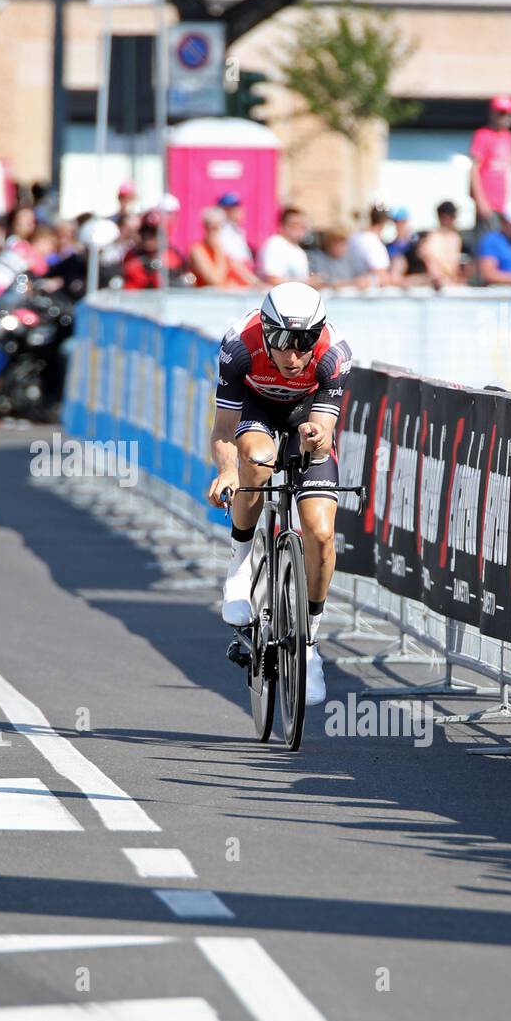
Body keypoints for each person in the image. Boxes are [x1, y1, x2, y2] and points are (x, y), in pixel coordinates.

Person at [207, 283, 351, 706]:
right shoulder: (239, 346)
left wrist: (315, 438)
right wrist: (228, 473)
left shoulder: (333, 355)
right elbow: (222, 430)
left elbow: (323, 439)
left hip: (307, 415)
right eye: (283, 344)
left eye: (303, 344)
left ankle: (309, 642)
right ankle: (240, 564)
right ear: (266, 332)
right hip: (256, 411)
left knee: (321, 533)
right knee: (260, 457)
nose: (292, 356)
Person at [470, 94, 511, 231]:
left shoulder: (507, 136)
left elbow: (505, 162)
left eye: (510, 114)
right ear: (492, 114)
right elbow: (474, 170)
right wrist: (481, 201)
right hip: (487, 202)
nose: (506, 117)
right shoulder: (483, 135)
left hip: (501, 203)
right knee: (486, 241)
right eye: (502, 113)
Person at [189, 207, 256, 287]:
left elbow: (242, 272)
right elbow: (215, 280)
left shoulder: (224, 249)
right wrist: (218, 250)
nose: (213, 232)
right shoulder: (198, 250)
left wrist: (259, 285)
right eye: (210, 228)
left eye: (217, 228)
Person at [121, 210, 183, 289]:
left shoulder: (173, 256)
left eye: (154, 233)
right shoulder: (131, 256)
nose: (148, 238)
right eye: (145, 232)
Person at [415, 201, 465, 288]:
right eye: (453, 217)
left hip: (452, 285)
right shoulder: (430, 238)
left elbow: (454, 266)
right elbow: (430, 263)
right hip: (436, 286)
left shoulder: (455, 238)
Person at [256, 207, 309, 284]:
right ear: (282, 226)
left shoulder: (300, 252)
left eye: (302, 225)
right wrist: (306, 282)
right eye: (294, 224)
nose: (299, 228)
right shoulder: (275, 244)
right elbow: (272, 280)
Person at [345, 205, 393, 287]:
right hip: (369, 294)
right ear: (384, 222)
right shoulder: (372, 242)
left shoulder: (355, 237)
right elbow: (382, 277)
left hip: (352, 289)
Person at [216, 192, 253, 264]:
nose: (237, 210)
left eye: (237, 206)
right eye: (231, 208)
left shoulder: (236, 230)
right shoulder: (222, 232)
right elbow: (231, 261)